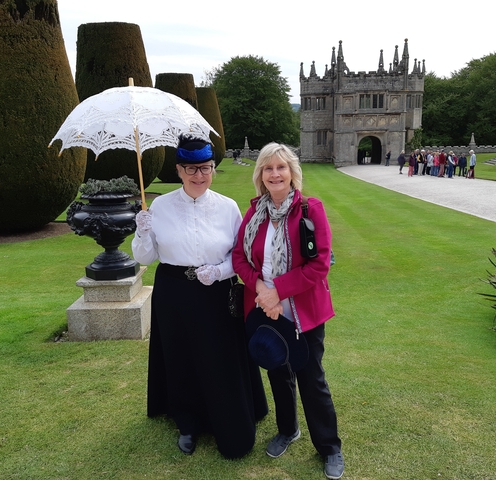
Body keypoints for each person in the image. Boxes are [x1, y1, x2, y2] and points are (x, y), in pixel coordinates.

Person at [132, 136, 267, 459]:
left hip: (216, 292)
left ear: (213, 169)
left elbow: (240, 255)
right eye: (191, 169)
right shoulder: (160, 207)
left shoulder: (227, 207)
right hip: (174, 292)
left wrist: (219, 272)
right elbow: (145, 257)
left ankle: (226, 414)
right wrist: (141, 230)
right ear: (179, 170)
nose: (199, 176)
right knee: (181, 356)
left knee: (219, 356)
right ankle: (188, 422)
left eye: (205, 168)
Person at [232, 143, 344, 480]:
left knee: (312, 380)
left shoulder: (311, 209)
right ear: (260, 175)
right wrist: (262, 290)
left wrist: (278, 290)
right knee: (278, 374)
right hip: (264, 308)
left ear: (292, 173)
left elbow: (319, 264)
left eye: (281, 167)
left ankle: (329, 447)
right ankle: (287, 429)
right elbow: (239, 256)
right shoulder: (254, 213)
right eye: (268, 168)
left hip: (302, 310)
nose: (275, 174)